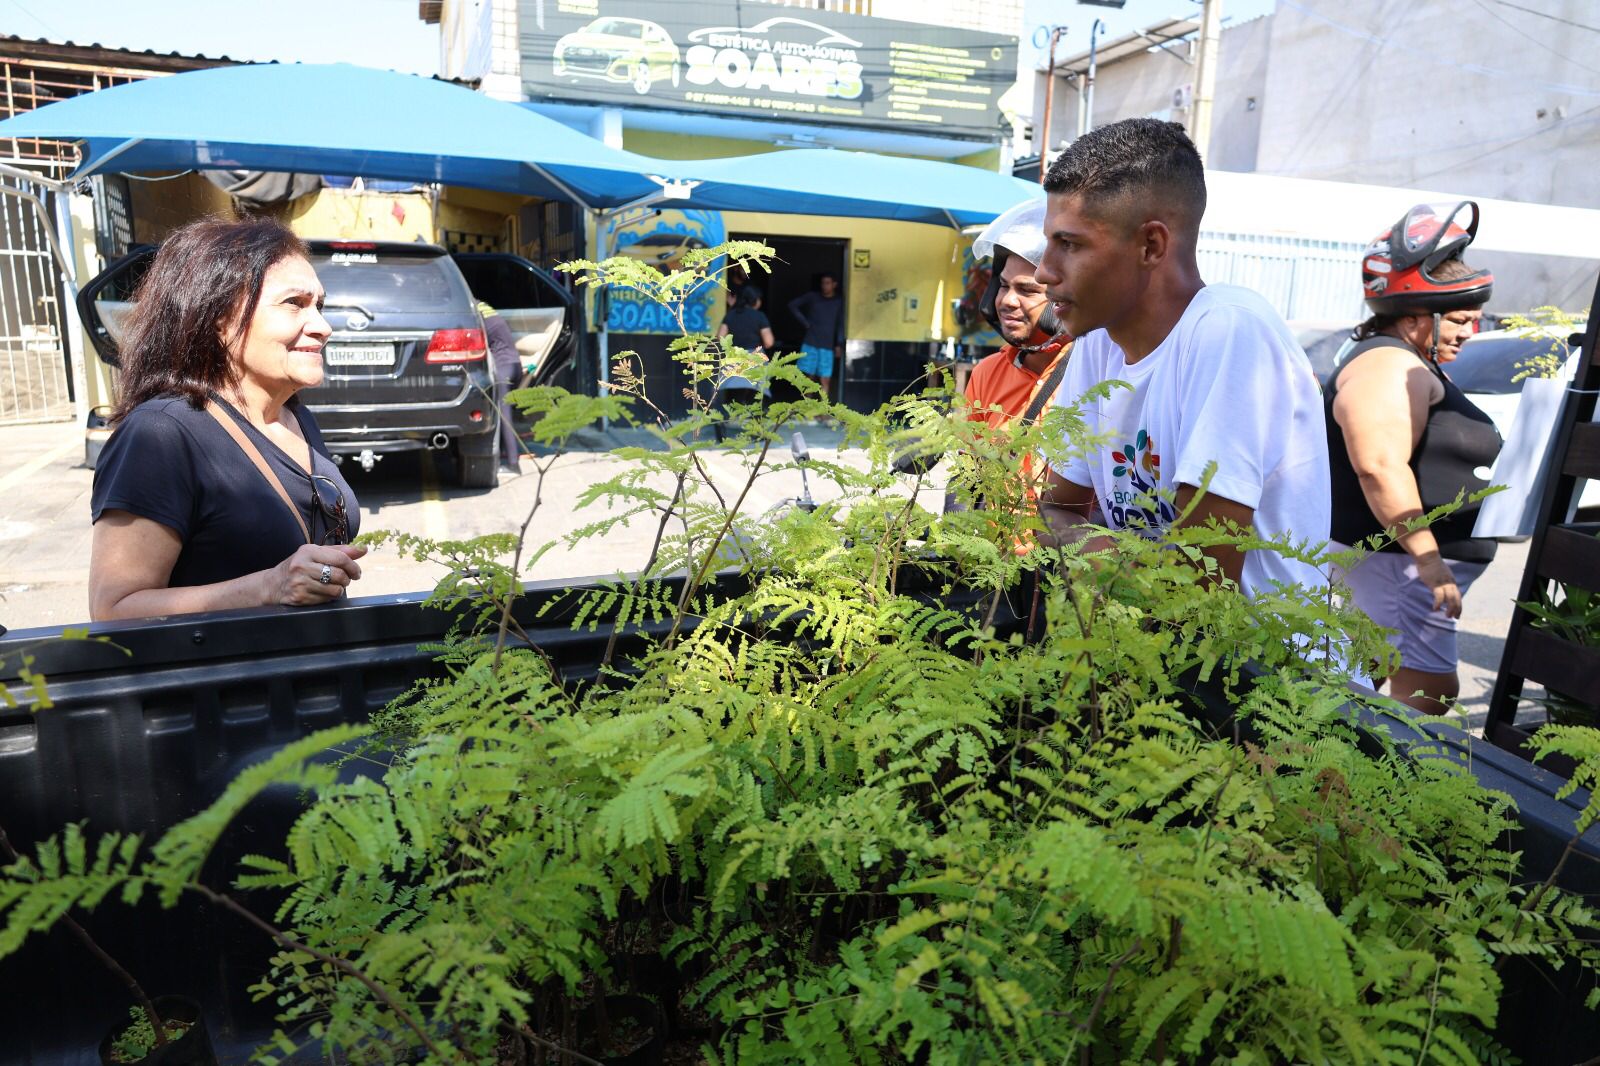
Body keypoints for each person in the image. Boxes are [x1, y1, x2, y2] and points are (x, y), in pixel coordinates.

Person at [1033, 118, 1329, 598]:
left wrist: (1094, 550)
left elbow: (1199, 584)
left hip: (1261, 664)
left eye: (1069, 244)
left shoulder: (1229, 330)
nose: (1045, 272)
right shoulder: (1095, 342)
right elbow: (1052, 511)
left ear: (1151, 245)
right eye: (1049, 243)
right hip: (1146, 655)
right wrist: (1134, 560)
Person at [89, 217, 364, 621]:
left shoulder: (295, 418)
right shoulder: (162, 433)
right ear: (219, 317)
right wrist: (270, 586)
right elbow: (113, 609)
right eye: (294, 304)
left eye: (319, 306)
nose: (322, 327)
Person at [1324, 202, 1501, 714]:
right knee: (1427, 692)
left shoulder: (1403, 360)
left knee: (1367, 679)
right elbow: (1379, 465)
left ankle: (1325, 783)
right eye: (1461, 320)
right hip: (1400, 564)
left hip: (1398, 566)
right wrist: (1428, 560)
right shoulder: (1386, 365)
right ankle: (1364, 793)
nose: (1470, 332)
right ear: (1418, 315)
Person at [712, 285, 775, 441]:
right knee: (757, 396)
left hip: (733, 357)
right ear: (755, 300)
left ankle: (721, 424)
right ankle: (758, 431)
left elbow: (719, 338)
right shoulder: (759, 316)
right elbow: (768, 342)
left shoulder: (731, 315)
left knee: (729, 396)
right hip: (754, 357)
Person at [479, 299, 523, 475]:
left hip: (503, 367)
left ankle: (513, 464)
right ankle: (506, 454)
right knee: (506, 413)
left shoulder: (473, 312)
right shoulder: (485, 307)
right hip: (515, 364)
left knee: (503, 416)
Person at [788, 272, 845, 401]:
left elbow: (840, 324)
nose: (824, 286)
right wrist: (805, 323)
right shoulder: (813, 297)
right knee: (809, 379)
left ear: (834, 284)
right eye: (822, 283)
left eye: (827, 283)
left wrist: (838, 344)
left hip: (827, 346)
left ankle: (823, 410)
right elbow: (792, 305)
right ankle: (808, 409)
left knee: (825, 380)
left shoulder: (838, 302)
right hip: (810, 343)